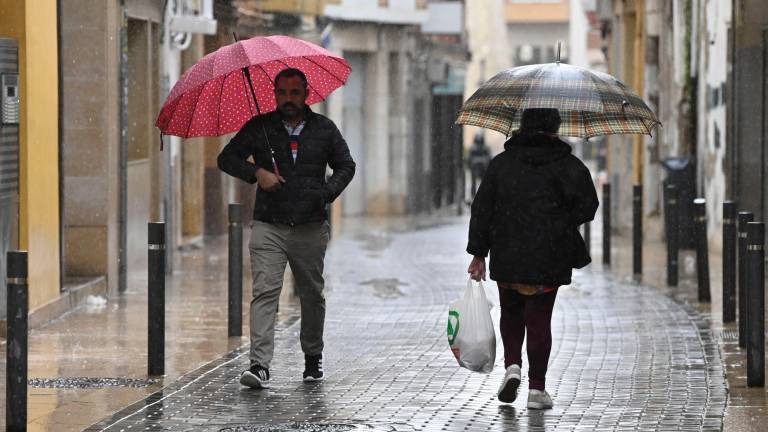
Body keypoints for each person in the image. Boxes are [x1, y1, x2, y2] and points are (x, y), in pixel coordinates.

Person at [217, 68, 356, 389]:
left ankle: (312, 357)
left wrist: (326, 192)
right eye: (282, 93)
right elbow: (226, 158)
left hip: (310, 226)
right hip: (269, 224)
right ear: (275, 94)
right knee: (265, 292)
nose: (288, 99)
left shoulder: (324, 129)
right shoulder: (260, 127)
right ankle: (260, 364)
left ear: (305, 93)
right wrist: (257, 173)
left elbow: (346, 165)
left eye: (294, 93)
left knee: (311, 294)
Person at [465, 108, 598, 409]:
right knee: (539, 320)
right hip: (549, 255)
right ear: (554, 127)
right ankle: (537, 389)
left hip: (508, 252)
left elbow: (481, 209)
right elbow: (589, 205)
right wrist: (562, 220)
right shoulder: (568, 165)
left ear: (521, 126)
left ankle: (513, 366)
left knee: (511, 314)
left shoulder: (501, 164)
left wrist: (478, 253)